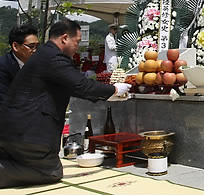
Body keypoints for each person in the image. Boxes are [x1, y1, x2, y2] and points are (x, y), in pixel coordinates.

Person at [0, 19, 130, 188]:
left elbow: (73, 87)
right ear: (64, 39)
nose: (77, 46)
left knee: (31, 165)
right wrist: (113, 90)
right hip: (28, 133)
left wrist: (107, 95)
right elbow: (80, 84)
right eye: (76, 41)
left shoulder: (45, 55)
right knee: (51, 172)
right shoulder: (53, 57)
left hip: (16, 131)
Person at [0, 23, 39, 103]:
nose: (35, 50)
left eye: (37, 46)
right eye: (31, 47)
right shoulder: (3, 67)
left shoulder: (38, 66)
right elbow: (6, 102)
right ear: (15, 46)